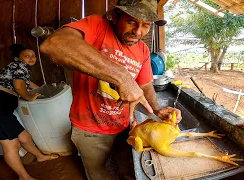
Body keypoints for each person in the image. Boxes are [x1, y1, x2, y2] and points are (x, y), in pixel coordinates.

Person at [40, 0, 182, 179]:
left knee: (126, 166)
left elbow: (145, 84)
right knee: (97, 172)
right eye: (131, 22)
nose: (138, 32)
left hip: (124, 126)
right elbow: (53, 44)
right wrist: (121, 76)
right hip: (90, 128)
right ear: (115, 17)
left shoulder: (143, 50)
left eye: (146, 25)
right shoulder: (97, 26)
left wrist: (156, 109)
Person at [0, 44, 58, 180]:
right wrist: (29, 97)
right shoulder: (19, 66)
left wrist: (43, 91)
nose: (31, 58)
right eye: (27, 56)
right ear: (17, 59)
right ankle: (23, 177)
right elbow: (19, 87)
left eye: (33, 56)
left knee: (25, 137)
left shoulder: (19, 69)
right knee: (11, 145)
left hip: (1, 110)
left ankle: (40, 157)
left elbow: (28, 83)